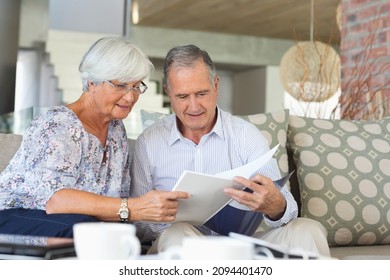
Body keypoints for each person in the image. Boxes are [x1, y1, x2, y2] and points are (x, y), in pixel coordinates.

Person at [130, 44, 330, 257]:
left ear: (216, 86)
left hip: (239, 244)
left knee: (308, 230)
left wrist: (275, 205)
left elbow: (288, 208)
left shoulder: (245, 135)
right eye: (182, 97)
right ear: (169, 93)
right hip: (181, 242)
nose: (194, 106)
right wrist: (163, 215)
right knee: (177, 234)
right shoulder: (149, 142)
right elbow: (138, 223)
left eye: (201, 93)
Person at [0, 37, 189, 238]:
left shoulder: (115, 129)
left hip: (77, 221)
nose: (130, 97)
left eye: (136, 86)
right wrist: (133, 208)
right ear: (91, 83)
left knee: (117, 232)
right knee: (86, 231)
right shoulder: (58, 124)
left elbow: (113, 201)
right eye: (120, 85)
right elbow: (56, 201)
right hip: (15, 216)